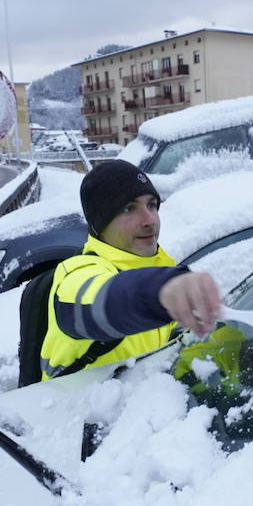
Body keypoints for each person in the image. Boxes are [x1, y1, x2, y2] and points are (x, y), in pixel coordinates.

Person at [39, 159, 222, 380]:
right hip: (66, 412)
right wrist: (160, 291)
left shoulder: (159, 267)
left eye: (152, 205)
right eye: (129, 208)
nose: (150, 220)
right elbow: (98, 303)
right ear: (101, 224)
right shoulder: (76, 273)